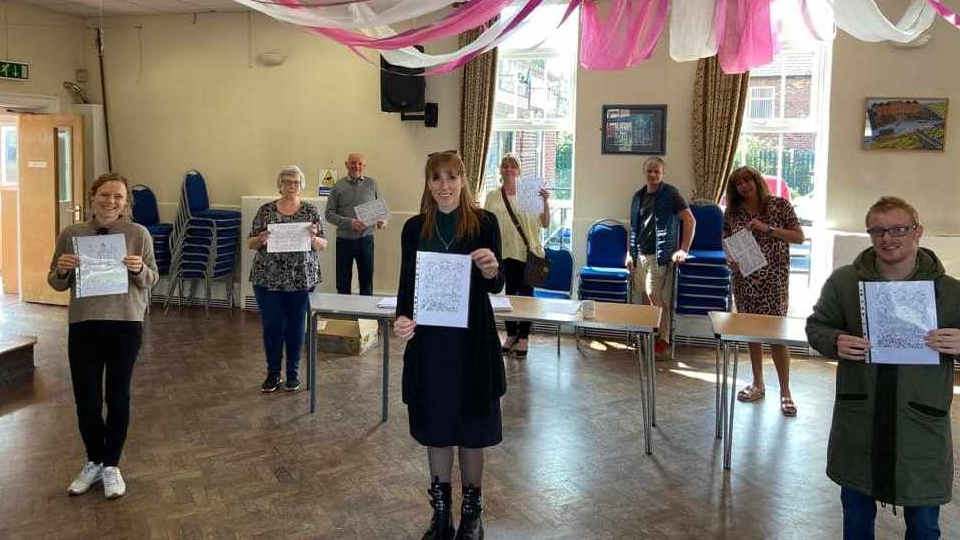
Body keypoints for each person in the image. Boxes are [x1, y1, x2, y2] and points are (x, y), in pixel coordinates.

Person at [806, 196, 959, 539]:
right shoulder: (844, 283)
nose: (888, 238)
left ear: (917, 231)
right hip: (861, 415)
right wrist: (835, 341)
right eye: (877, 230)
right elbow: (816, 326)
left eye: (898, 229)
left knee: (923, 523)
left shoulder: (950, 292)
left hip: (919, 422)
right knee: (857, 515)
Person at [393, 151, 504, 540]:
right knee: (437, 426)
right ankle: (441, 515)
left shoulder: (485, 223)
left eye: (451, 177)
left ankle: (472, 516)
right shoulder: (413, 228)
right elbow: (407, 284)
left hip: (473, 342)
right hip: (430, 345)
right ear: (427, 183)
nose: (444, 186)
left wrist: (491, 269)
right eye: (437, 178)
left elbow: (495, 282)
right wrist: (401, 319)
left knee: (473, 426)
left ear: (463, 180)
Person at [48, 172, 159, 500]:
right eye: (105, 195)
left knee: (118, 394)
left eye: (118, 197)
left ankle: (112, 464)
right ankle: (94, 459)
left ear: (126, 203)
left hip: (125, 323)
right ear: (93, 196)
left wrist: (139, 269)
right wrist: (63, 270)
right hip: (84, 323)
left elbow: (152, 279)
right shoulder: (72, 233)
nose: (111, 201)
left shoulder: (138, 234)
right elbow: (55, 282)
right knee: (86, 397)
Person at [722, 166, 805, 416]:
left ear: (757, 181)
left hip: (774, 280)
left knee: (777, 335)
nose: (744, 186)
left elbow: (799, 237)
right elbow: (725, 240)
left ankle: (785, 391)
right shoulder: (733, 211)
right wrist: (729, 258)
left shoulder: (780, 205)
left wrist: (766, 228)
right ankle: (757, 383)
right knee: (751, 332)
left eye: (747, 181)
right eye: (738, 183)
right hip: (745, 278)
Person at [248, 166, 328, 393]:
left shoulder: (311, 211)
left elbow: (323, 245)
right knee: (272, 327)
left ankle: (293, 373)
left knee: (295, 327)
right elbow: (250, 243)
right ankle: (273, 373)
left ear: (301, 186)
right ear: (279, 185)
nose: (291, 186)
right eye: (286, 182)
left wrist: (313, 238)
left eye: (295, 182)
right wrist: (261, 238)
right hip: (268, 279)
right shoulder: (265, 211)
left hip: (301, 279)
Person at [626, 156, 696, 357]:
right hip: (640, 253)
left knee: (652, 293)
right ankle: (650, 334)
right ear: (644, 172)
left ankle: (663, 338)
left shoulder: (671, 194)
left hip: (660, 254)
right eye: (650, 171)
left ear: (662, 173)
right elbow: (632, 228)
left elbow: (690, 220)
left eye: (657, 171)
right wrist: (629, 254)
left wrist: (683, 249)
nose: (653, 174)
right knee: (644, 296)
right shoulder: (637, 196)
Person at [483, 153, 550, 358]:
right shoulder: (493, 196)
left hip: (528, 253)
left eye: (513, 166)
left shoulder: (529, 193)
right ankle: (511, 335)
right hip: (504, 252)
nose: (509, 169)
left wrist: (546, 202)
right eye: (505, 166)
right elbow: (487, 224)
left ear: (519, 170)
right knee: (508, 296)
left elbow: (544, 223)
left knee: (527, 295)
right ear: (500, 170)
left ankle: (523, 337)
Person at [324, 152, 385, 296]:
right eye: (353, 163)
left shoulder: (372, 184)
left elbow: (381, 211)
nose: (356, 166)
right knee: (343, 283)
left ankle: (366, 317)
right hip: (344, 241)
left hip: (366, 240)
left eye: (360, 163)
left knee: (366, 282)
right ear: (346, 165)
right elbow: (329, 214)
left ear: (364, 166)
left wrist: (383, 221)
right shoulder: (337, 186)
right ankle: (344, 316)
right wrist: (350, 223)